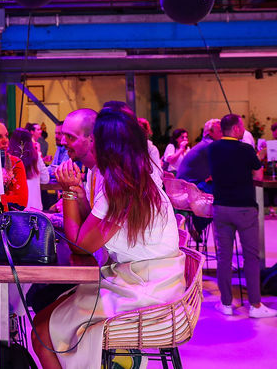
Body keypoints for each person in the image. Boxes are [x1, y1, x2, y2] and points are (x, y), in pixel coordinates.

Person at [32, 108, 185, 369]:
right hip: (149, 282)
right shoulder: (134, 178)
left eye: (95, 140)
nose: (92, 146)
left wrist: (68, 192)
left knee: (41, 332)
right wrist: (78, 194)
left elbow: (80, 245)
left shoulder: (121, 189)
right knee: (43, 316)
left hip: (144, 292)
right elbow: (92, 229)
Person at [208, 114, 277, 318]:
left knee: (224, 257)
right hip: (245, 208)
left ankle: (226, 303)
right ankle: (255, 305)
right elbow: (258, 175)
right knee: (250, 257)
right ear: (236, 129)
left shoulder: (212, 148)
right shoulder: (246, 149)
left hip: (221, 207)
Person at [9, 127, 50, 211]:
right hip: (35, 208)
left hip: (16, 208)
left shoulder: (9, 159)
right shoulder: (36, 156)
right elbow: (45, 179)